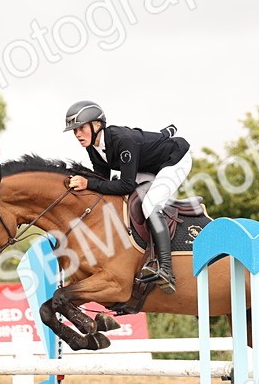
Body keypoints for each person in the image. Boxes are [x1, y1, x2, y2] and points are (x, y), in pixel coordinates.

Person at [63, 100, 192, 293]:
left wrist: (87, 183)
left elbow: (125, 184)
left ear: (97, 124)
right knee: (128, 203)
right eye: (74, 131)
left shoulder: (122, 140)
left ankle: (166, 268)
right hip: (146, 166)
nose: (77, 135)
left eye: (80, 128)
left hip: (174, 160)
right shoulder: (92, 147)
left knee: (149, 204)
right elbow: (102, 181)